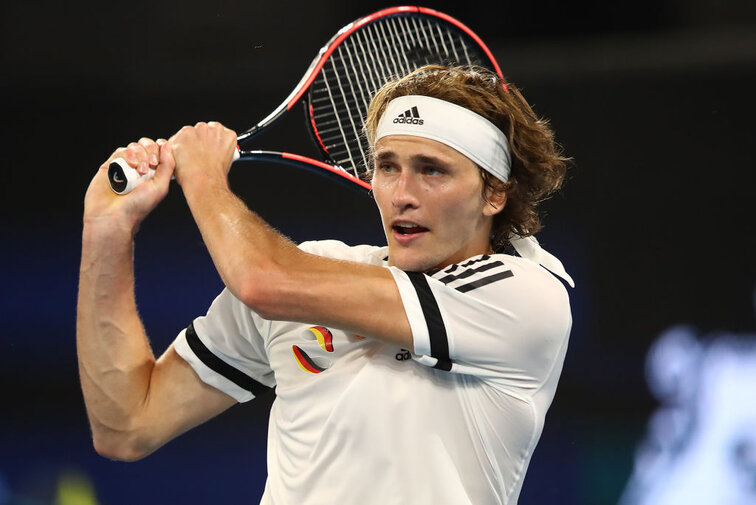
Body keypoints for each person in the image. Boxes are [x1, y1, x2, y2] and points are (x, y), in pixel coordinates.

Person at [77, 65, 573, 505]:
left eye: (432, 170)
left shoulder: (524, 295)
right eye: (387, 166)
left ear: (494, 194)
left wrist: (204, 177)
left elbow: (262, 280)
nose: (402, 195)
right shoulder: (313, 269)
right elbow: (127, 425)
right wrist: (106, 231)